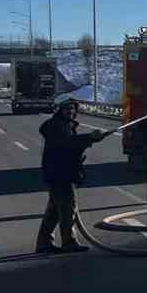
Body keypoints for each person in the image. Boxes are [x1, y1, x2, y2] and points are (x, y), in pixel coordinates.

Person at [37, 99, 107, 254]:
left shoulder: (65, 125)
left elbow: (72, 144)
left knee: (54, 212)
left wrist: (92, 138)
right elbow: (68, 143)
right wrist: (90, 137)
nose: (70, 111)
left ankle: (44, 243)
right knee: (68, 208)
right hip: (60, 174)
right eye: (67, 109)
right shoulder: (56, 126)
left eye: (72, 109)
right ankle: (69, 242)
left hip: (60, 173)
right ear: (60, 110)